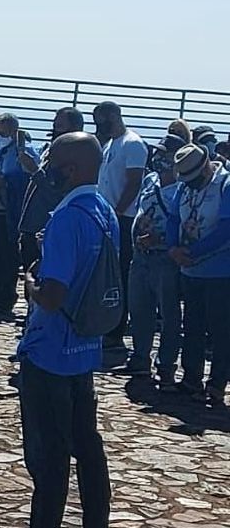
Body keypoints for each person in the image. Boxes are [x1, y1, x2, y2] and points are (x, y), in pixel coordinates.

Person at [0, 132, 118, 528]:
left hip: (50, 351)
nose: (47, 169)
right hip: (85, 350)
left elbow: (54, 292)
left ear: (74, 169)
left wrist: (30, 285)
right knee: (88, 445)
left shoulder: (67, 217)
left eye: (54, 162)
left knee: (49, 459)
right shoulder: (103, 211)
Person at [114, 136, 185, 385]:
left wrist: (160, 238)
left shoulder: (183, 189)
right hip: (140, 256)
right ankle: (140, 359)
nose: (158, 158)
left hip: (165, 258)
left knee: (169, 315)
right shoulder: (150, 180)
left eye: (165, 154)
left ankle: (166, 366)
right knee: (140, 311)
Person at [168, 145, 230, 406]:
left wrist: (192, 250)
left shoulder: (225, 185)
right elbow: (173, 218)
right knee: (191, 326)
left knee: (220, 330)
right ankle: (191, 377)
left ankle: (217, 383)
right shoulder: (185, 186)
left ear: (205, 167)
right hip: (189, 270)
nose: (189, 184)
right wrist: (174, 248)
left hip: (220, 272)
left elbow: (226, 228)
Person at [94, 101, 147, 357]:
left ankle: (115, 331)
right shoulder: (110, 145)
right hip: (107, 216)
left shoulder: (132, 144)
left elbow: (134, 181)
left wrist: (118, 210)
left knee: (120, 273)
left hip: (123, 218)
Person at [0, 113, 39, 317]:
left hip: (9, 209)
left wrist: (5, 183)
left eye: (4, 132)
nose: (0, 135)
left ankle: (6, 295)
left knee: (7, 255)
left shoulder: (25, 151)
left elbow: (29, 177)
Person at [17, 107, 86, 291]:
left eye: (60, 125)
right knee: (29, 273)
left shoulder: (73, 157)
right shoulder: (51, 150)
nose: (55, 128)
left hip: (46, 224)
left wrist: (35, 171)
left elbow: (57, 193)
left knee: (43, 276)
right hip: (32, 223)